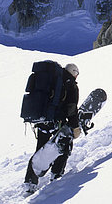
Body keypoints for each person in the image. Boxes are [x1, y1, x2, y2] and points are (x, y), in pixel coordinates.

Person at [24, 63, 81, 192]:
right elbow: (71, 108)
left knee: (40, 150)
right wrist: (75, 126)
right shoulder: (70, 84)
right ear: (74, 72)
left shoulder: (53, 79)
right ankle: (57, 176)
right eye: (77, 73)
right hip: (57, 122)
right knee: (63, 147)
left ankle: (30, 182)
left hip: (42, 121)